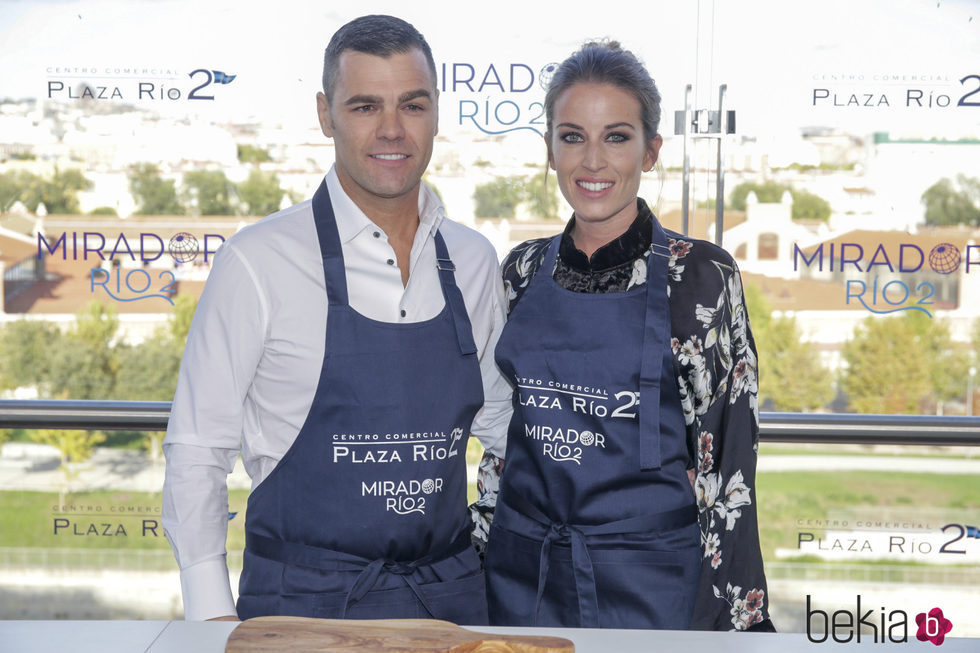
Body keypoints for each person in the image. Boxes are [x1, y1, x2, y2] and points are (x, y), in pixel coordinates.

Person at [162, 14, 511, 624]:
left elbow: (505, 429)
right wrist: (212, 621)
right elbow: (198, 448)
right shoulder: (257, 262)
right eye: (364, 106)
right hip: (298, 610)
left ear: (436, 112)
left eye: (412, 104)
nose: (392, 129)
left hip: (450, 610)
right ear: (326, 115)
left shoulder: (475, 261)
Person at [482, 41, 773, 631]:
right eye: (572, 136)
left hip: (650, 587)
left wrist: (728, 623)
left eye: (616, 137)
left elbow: (729, 468)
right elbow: (499, 448)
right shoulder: (519, 271)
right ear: (549, 149)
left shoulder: (701, 277)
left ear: (651, 151)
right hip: (522, 578)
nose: (592, 161)